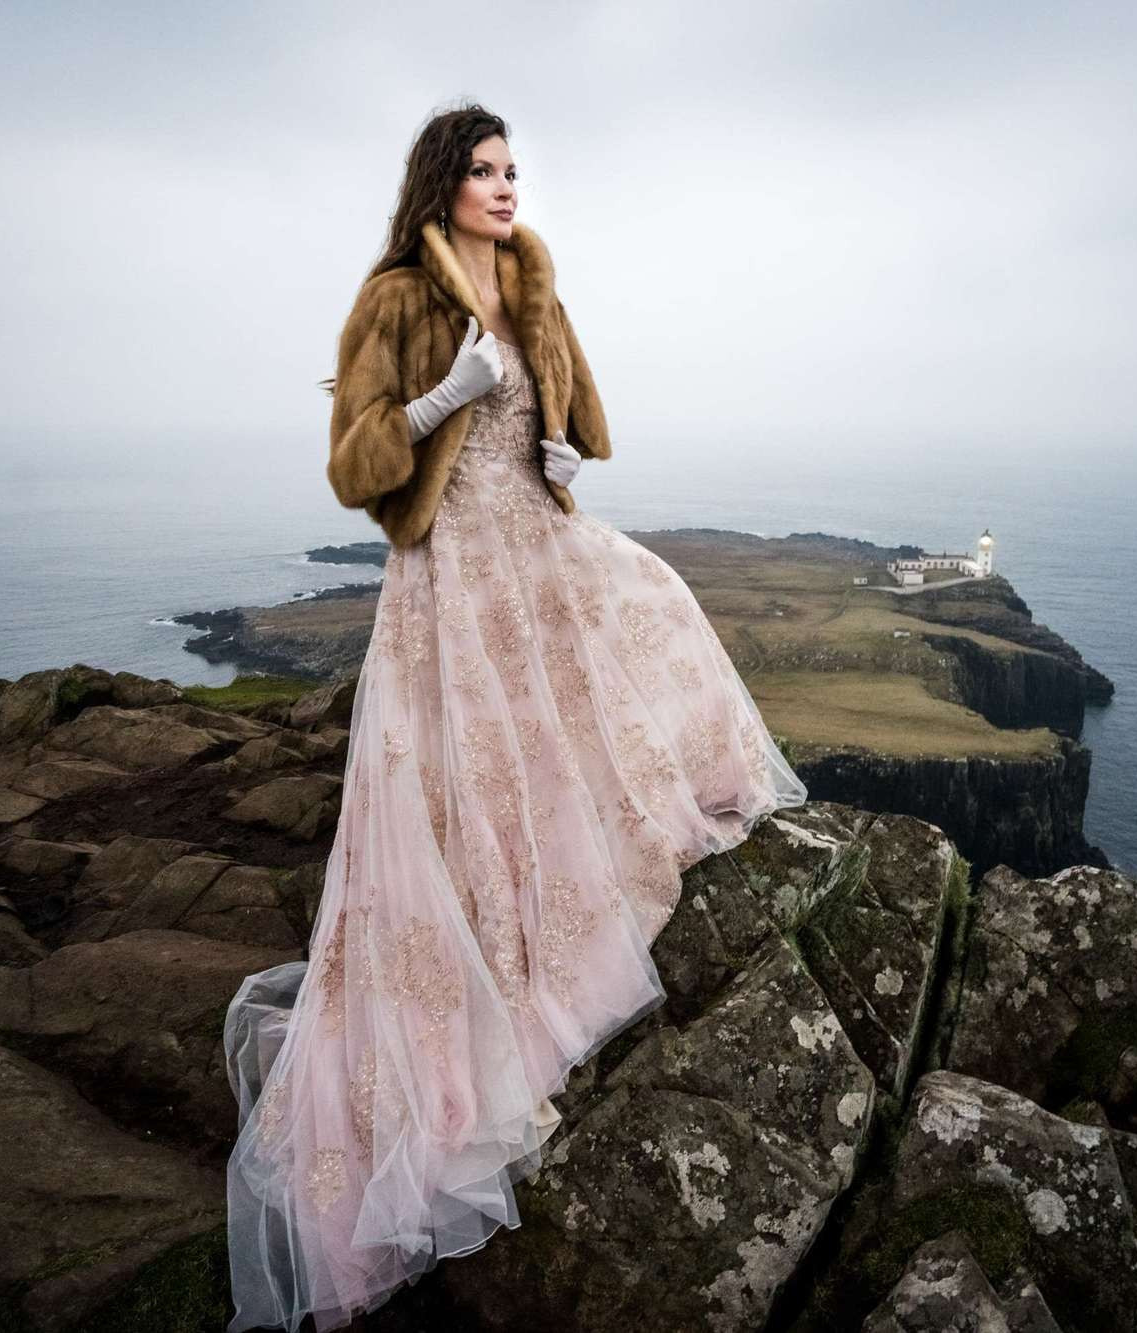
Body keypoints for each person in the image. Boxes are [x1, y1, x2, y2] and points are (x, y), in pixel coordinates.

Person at [220, 103, 808, 1333]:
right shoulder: (394, 294)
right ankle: (478, 988)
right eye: (484, 170)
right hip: (449, 576)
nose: (505, 185)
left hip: (536, 545)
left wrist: (562, 452)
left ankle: (571, 903)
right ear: (443, 182)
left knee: (648, 610)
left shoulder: (532, 275)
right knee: (473, 784)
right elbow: (352, 461)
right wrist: (443, 399)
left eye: (512, 168)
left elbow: (576, 413)